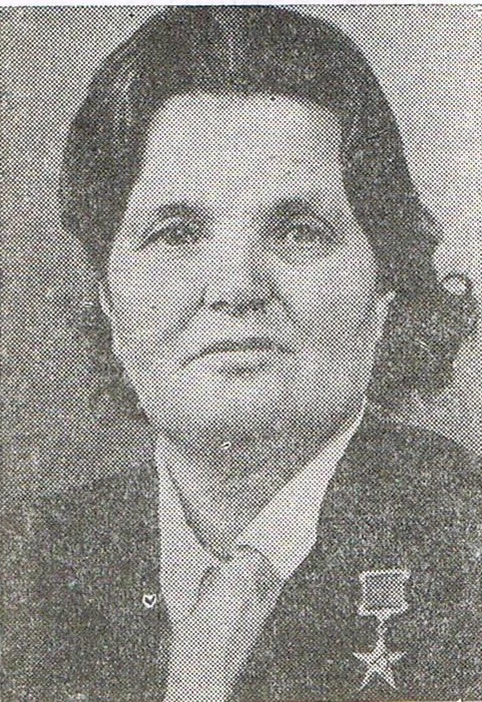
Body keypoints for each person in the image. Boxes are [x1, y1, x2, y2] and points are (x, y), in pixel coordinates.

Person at [2, 7, 480, 702]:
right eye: (176, 234)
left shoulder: (466, 547)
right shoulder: (28, 565)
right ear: (107, 296)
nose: (236, 288)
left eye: (299, 232)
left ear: (386, 284)